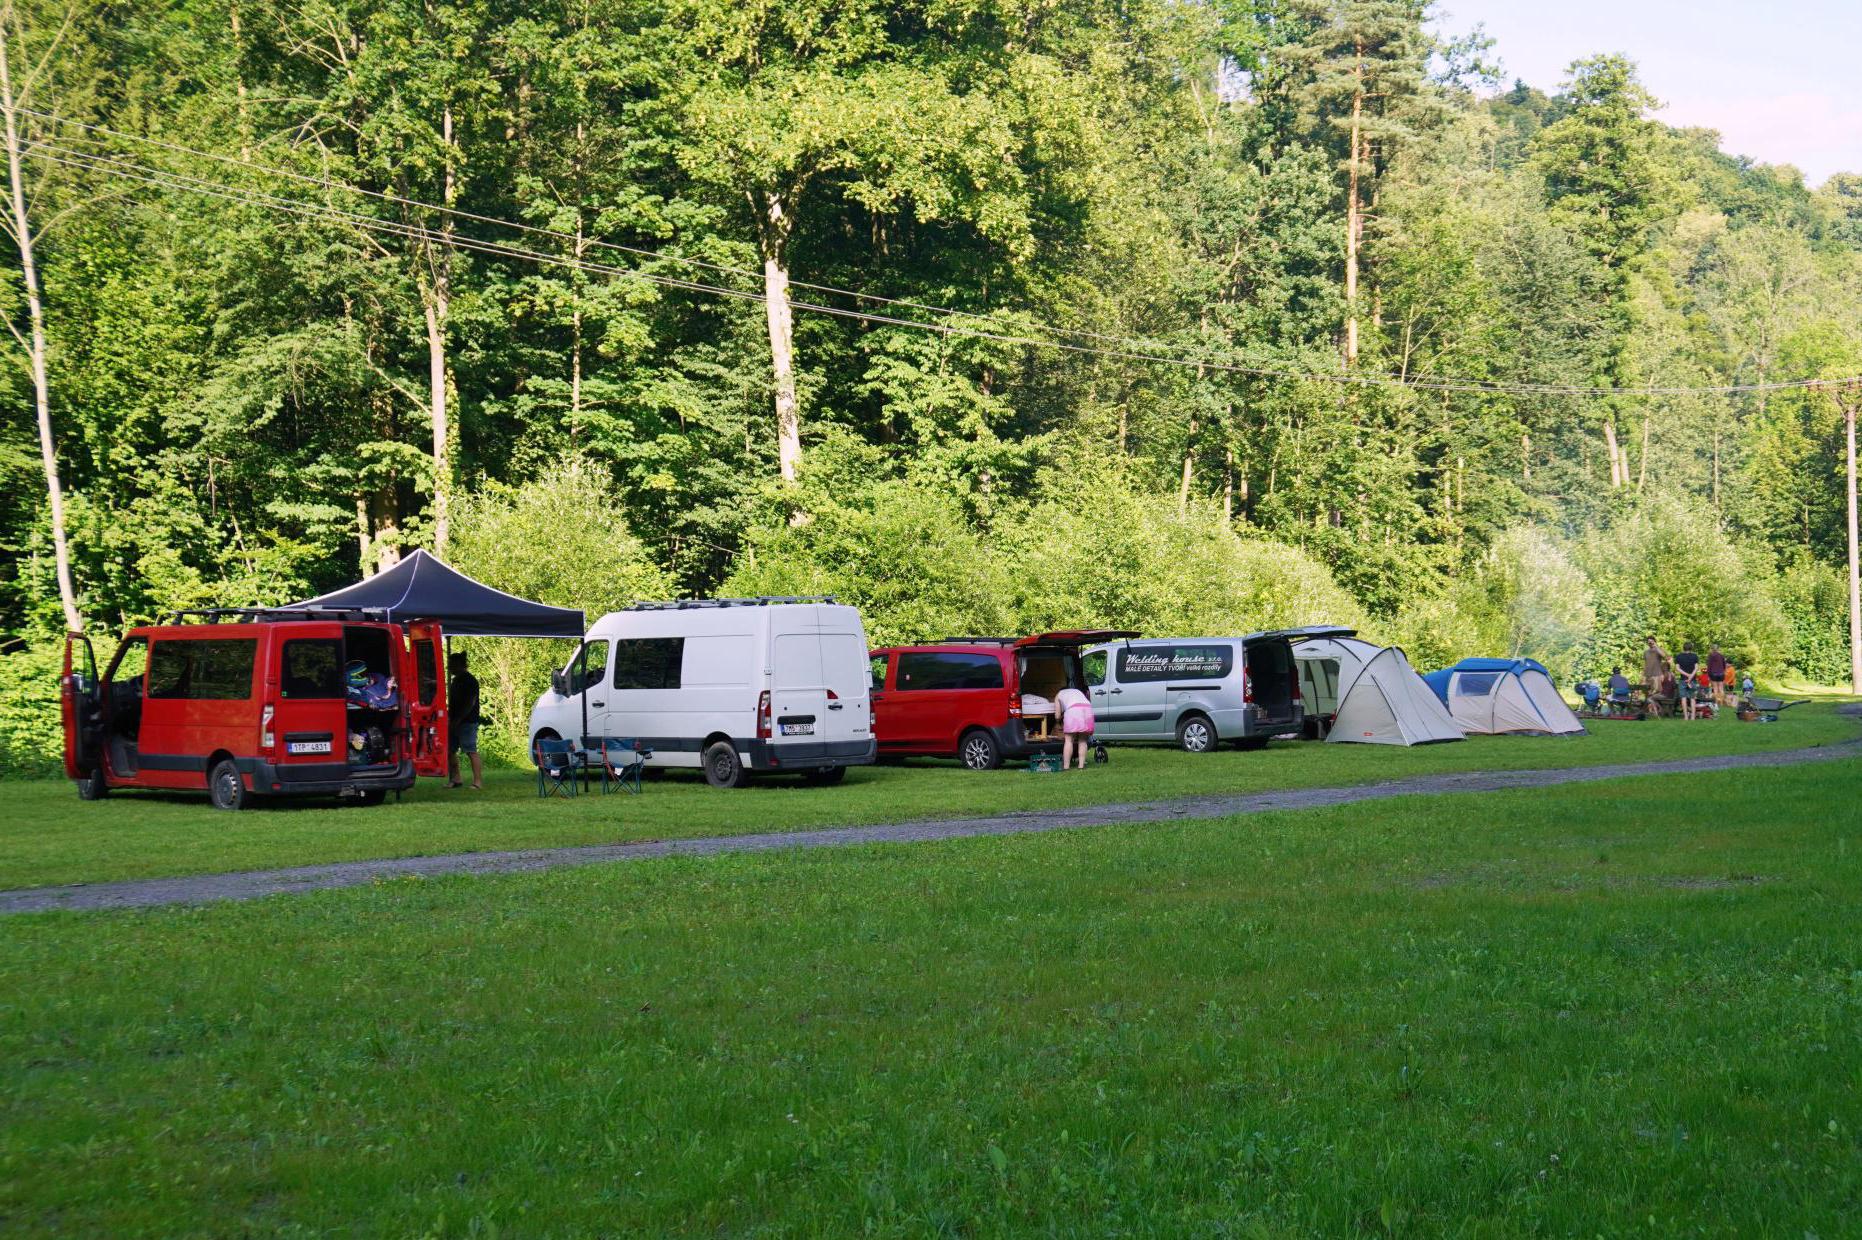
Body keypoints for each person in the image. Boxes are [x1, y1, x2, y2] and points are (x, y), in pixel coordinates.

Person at [448, 650, 483, 790]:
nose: (449, 667)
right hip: (455, 720)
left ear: (460, 665)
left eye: (451, 665)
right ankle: (456, 779)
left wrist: (459, 719)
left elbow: (470, 703)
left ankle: (478, 782)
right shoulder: (456, 681)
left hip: (468, 721)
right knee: (450, 750)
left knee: (470, 750)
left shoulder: (470, 681)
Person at [1056, 683, 1095, 770]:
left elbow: (1057, 716)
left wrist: (1058, 722)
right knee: (1083, 740)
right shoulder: (1077, 691)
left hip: (1073, 711)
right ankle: (1081, 766)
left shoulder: (1058, 694)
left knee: (1069, 740)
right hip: (1088, 709)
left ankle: (1066, 767)